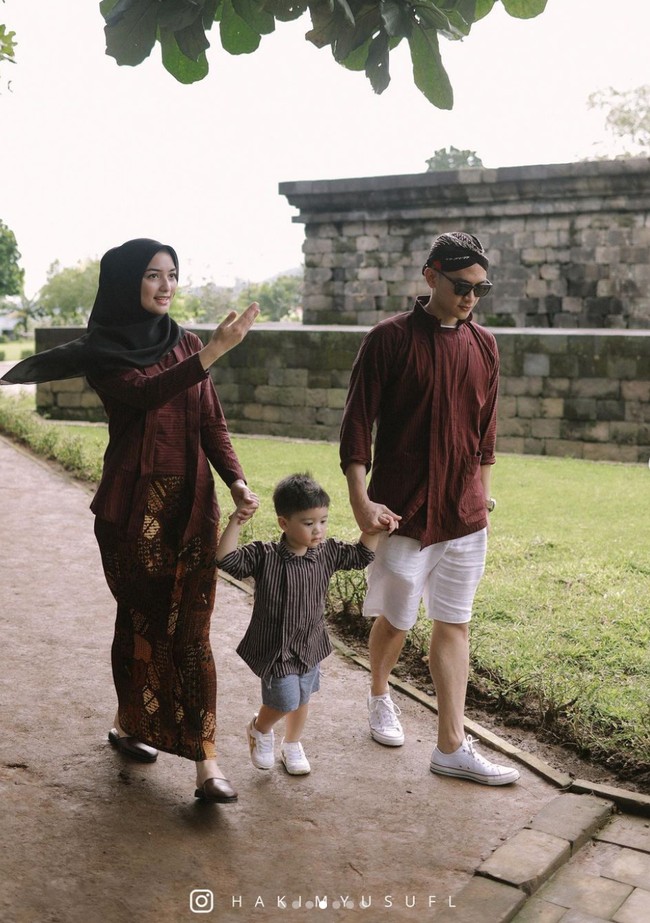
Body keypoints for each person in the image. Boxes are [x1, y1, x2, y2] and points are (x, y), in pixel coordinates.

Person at [1, 238, 259, 803]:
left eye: (172, 274)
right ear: (125, 283)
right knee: (142, 625)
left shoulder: (187, 343)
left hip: (193, 508)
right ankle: (131, 723)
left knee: (192, 634)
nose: (166, 286)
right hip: (131, 513)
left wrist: (235, 478)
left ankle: (206, 763)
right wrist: (212, 353)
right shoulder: (106, 352)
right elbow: (145, 394)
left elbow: (210, 423)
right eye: (152, 276)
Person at [339, 231, 520, 786]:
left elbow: (485, 431)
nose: (470, 298)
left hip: (464, 514)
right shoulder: (388, 340)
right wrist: (361, 499)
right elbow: (356, 428)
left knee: (455, 623)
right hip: (404, 513)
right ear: (431, 276)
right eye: (462, 286)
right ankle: (378, 696)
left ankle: (450, 745)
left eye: (480, 289)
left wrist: (482, 490)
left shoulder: (484, 344)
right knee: (397, 620)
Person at [216, 472, 392, 775]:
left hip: (309, 643)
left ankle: (293, 743)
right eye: (308, 523)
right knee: (284, 699)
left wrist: (372, 528)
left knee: (302, 696)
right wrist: (236, 520)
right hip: (277, 647)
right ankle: (260, 728)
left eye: (323, 521)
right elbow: (226, 560)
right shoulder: (265, 555)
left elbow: (362, 554)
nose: (318, 530)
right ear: (284, 523)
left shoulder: (327, 553)